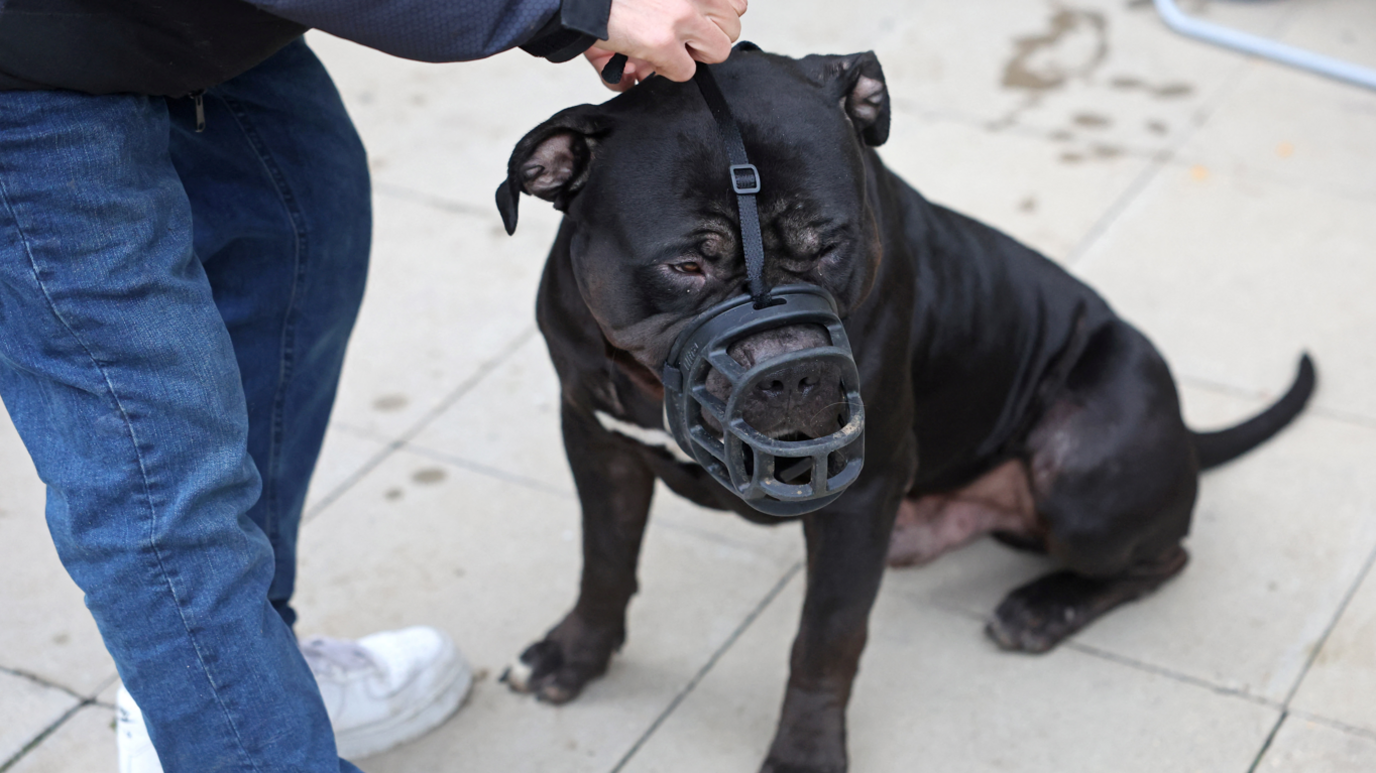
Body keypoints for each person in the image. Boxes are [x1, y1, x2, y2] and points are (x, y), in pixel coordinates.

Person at [0, 0, 746, 770]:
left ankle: (238, 680)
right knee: (151, 461)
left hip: (175, 25)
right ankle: (237, 738)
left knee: (299, 220)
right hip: (23, 62)